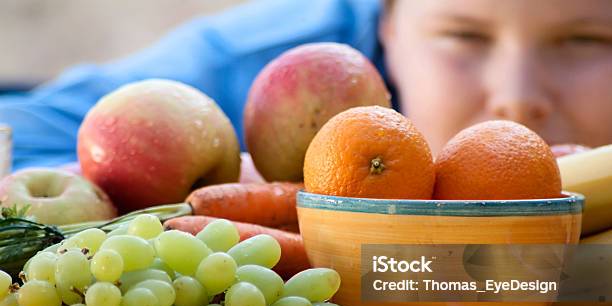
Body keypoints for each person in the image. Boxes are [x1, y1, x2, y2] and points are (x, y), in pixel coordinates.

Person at [0, 0, 610, 170]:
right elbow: (19, 137)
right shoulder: (272, 66)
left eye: (586, 41)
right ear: (387, 25)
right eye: (464, 36)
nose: (517, 94)